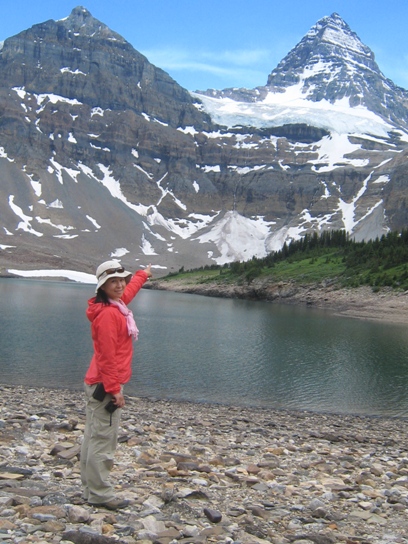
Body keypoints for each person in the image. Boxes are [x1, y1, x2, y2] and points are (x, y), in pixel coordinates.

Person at [80, 260, 152, 510]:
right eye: (114, 281)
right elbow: (107, 356)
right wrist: (114, 390)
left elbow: (128, 292)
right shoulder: (111, 315)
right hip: (104, 385)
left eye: (122, 279)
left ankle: (90, 489)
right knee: (103, 440)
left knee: (93, 436)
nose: (120, 284)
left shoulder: (113, 305)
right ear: (103, 286)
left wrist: (143, 274)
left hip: (96, 382)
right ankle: (100, 494)